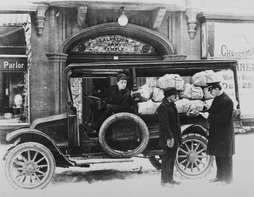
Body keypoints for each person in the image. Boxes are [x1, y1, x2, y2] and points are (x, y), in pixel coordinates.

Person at [199, 81, 235, 186]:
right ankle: (220, 177)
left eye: (211, 90)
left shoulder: (227, 101)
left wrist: (209, 116)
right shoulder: (217, 99)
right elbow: (212, 111)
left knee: (226, 156)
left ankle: (227, 179)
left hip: (225, 133)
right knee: (218, 155)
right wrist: (204, 112)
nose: (210, 93)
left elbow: (224, 118)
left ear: (217, 89)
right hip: (217, 132)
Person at [157, 87, 182, 188]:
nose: (176, 96)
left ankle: (170, 179)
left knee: (171, 158)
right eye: (174, 95)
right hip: (168, 137)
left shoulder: (170, 104)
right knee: (167, 158)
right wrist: (169, 137)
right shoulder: (163, 107)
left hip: (173, 136)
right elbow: (164, 124)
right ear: (169, 96)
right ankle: (164, 181)